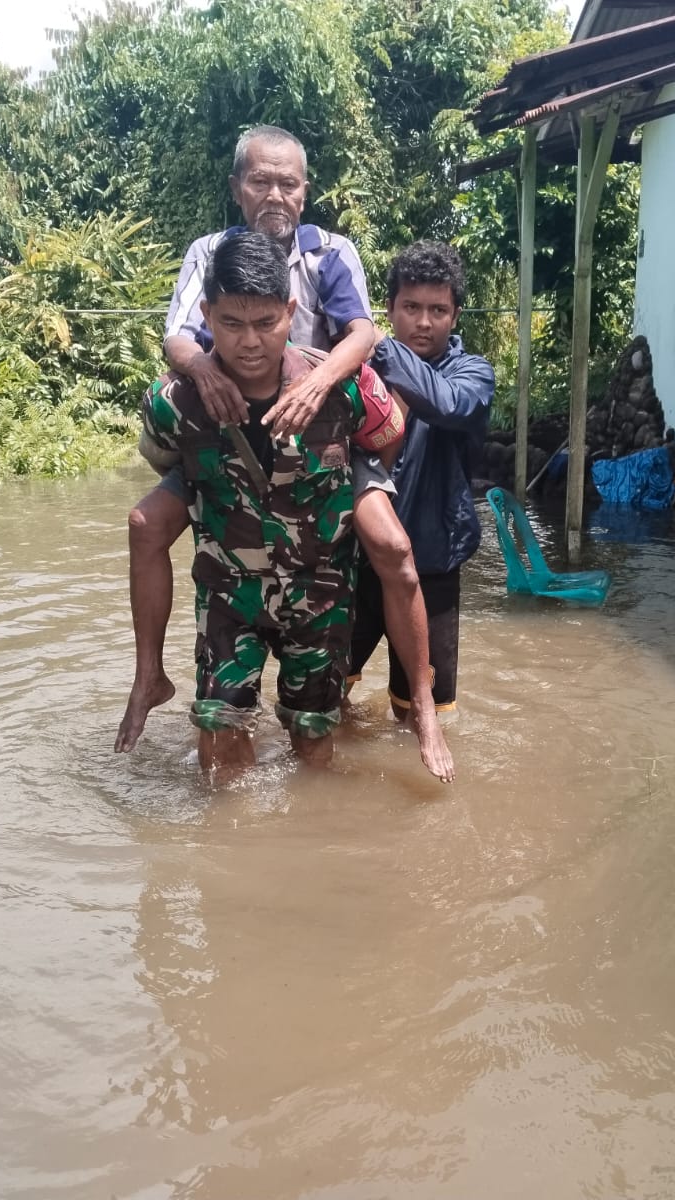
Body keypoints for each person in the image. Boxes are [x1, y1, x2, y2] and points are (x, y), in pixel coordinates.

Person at [116, 125, 453, 780]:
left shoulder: (329, 252)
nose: (275, 194)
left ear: (305, 191)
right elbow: (176, 337)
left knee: (392, 549)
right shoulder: (208, 253)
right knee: (144, 524)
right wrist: (206, 376)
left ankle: (424, 706)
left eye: (288, 183)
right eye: (261, 181)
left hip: (323, 426)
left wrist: (322, 382)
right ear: (237, 187)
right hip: (222, 423)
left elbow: (363, 332)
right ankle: (148, 676)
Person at [139, 231, 394, 770]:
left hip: (319, 596)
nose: (249, 341)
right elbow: (164, 458)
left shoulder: (342, 389)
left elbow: (387, 436)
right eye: (230, 323)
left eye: (265, 323)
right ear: (206, 314)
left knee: (313, 741)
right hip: (229, 595)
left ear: (291, 310)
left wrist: (356, 496)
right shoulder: (174, 403)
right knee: (220, 742)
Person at [349, 242, 494, 719]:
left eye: (438, 310)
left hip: (432, 566)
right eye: (411, 308)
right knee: (322, 695)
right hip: (358, 564)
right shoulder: (358, 372)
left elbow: (451, 403)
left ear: (455, 315)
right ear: (389, 309)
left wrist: (380, 348)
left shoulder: (473, 374)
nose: (424, 322)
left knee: (422, 711)